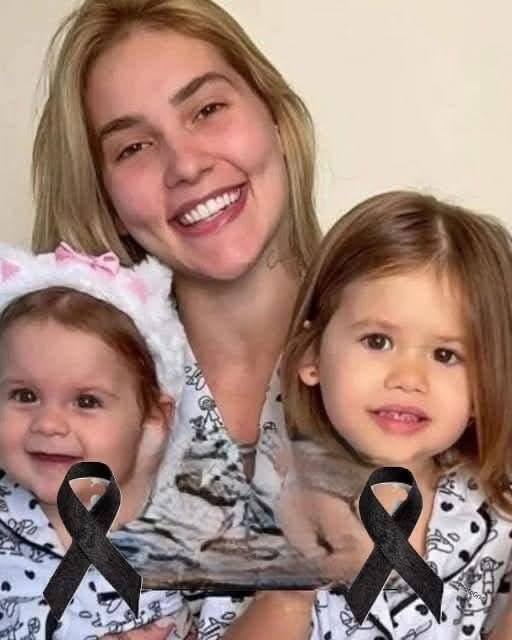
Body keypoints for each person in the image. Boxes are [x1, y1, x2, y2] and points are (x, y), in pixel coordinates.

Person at [31, 0, 325, 637]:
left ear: (275, 115)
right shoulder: (42, 414)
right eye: (133, 147)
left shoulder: (443, 345)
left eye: (207, 109)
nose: (186, 165)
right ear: (102, 192)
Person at [222, 191, 512, 639]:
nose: (408, 378)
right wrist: (289, 592)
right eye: (378, 341)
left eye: (445, 354)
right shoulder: (264, 505)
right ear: (311, 355)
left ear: (481, 390)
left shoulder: (496, 513)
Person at [0, 242, 194, 639]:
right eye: (24, 395)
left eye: (86, 402)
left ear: (153, 418)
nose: (49, 424)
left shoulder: (184, 525)